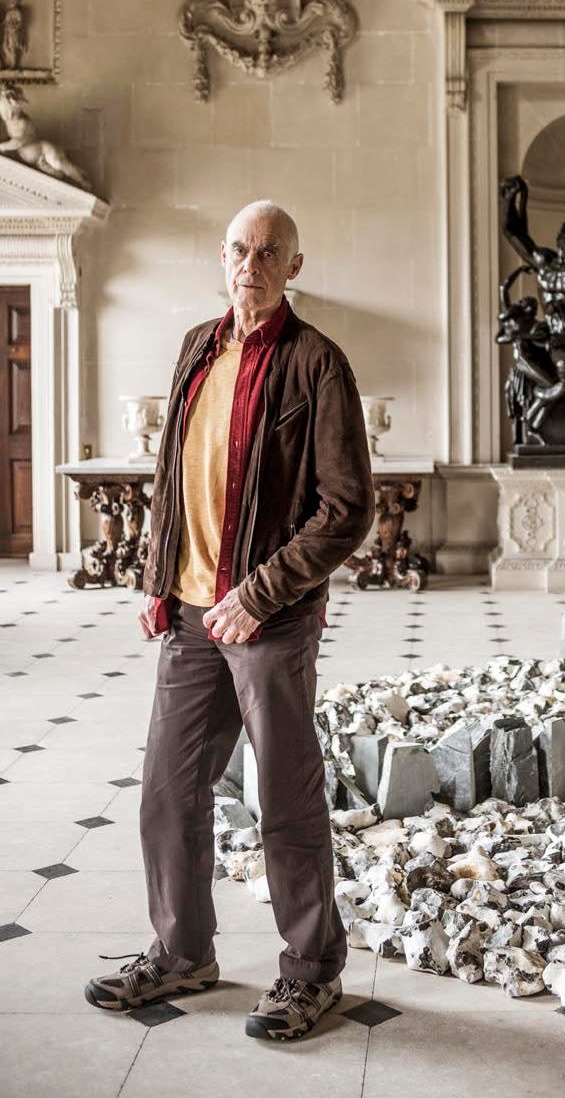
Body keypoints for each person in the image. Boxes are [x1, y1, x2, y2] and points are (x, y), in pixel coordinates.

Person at [84, 199, 375, 1042]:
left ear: (294, 265)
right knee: (167, 789)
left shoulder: (318, 365)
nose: (252, 264)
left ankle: (311, 972)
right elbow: (171, 474)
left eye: (270, 251)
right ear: (222, 256)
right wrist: (155, 573)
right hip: (188, 616)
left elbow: (347, 510)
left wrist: (258, 592)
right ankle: (182, 953)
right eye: (241, 250)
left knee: (283, 796)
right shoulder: (195, 350)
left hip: (270, 620)